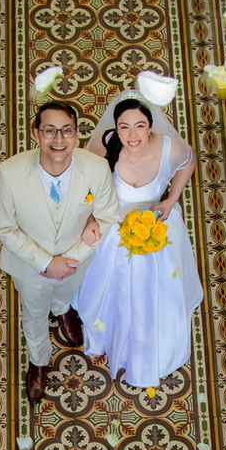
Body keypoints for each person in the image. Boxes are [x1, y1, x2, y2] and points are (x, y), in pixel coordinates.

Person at [0, 100, 121, 403]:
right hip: (30, 268)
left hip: (77, 262)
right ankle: (38, 361)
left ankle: (62, 310)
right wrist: (47, 263)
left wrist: (73, 257)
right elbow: (4, 228)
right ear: (36, 133)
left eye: (67, 131)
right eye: (49, 131)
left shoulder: (96, 168)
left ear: (76, 134)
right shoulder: (9, 173)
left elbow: (108, 216)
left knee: (66, 291)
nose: (59, 139)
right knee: (34, 313)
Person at [74, 92, 203, 389]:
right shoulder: (105, 144)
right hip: (113, 223)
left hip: (155, 224)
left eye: (140, 126)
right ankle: (109, 326)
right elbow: (87, 183)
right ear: (116, 128)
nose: (133, 136)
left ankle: (149, 336)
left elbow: (189, 161)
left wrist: (171, 200)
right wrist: (90, 217)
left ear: (151, 126)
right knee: (112, 283)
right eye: (125, 127)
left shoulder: (170, 148)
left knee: (152, 288)